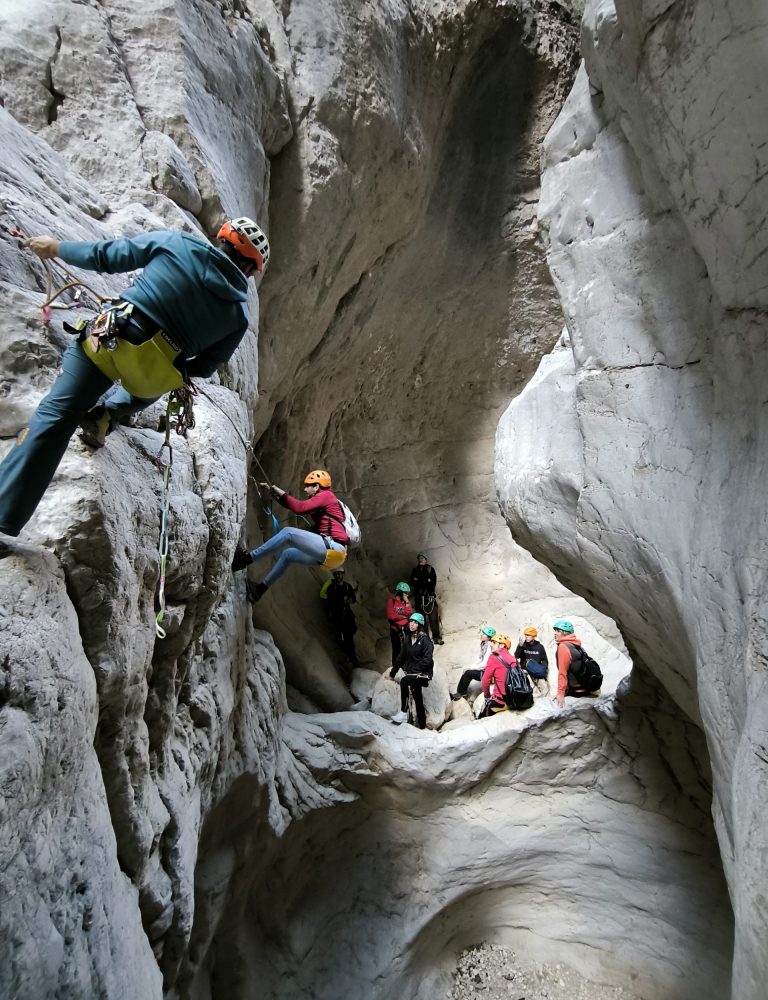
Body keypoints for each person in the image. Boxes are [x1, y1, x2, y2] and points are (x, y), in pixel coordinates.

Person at [0, 218, 269, 539]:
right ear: (249, 271)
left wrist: (55, 248)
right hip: (149, 376)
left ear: (221, 236)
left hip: (108, 341)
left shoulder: (178, 244)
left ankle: (4, 514)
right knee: (162, 377)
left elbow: (107, 255)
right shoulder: (238, 317)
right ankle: (108, 415)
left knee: (56, 416)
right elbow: (204, 368)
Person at [232, 470, 348, 601]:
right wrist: (275, 493)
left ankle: (244, 560)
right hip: (335, 556)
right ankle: (259, 591)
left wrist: (279, 492)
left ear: (316, 486)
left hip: (333, 548)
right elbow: (295, 506)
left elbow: (299, 508)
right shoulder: (323, 500)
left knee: (289, 533)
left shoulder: (326, 495)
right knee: (288, 555)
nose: (305, 489)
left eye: (308, 485)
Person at [387, 612, 434, 729]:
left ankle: (403, 712)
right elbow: (400, 658)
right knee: (417, 697)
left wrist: (415, 670)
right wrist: (392, 673)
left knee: (404, 681)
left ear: (420, 625)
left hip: (424, 674)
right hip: (413, 674)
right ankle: (423, 727)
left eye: (415, 623)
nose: (412, 624)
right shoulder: (408, 639)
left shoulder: (425, 640)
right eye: (411, 622)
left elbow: (427, 660)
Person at [480, 633, 533, 716]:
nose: (491, 645)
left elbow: (485, 681)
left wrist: (487, 696)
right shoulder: (513, 658)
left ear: (501, 645)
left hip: (502, 701)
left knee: (482, 717)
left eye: (494, 643)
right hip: (517, 697)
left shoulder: (493, 657)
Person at [553, 619, 600, 707]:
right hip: (585, 688)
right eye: (555, 630)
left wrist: (560, 694)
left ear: (566, 633)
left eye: (558, 631)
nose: (555, 633)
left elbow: (563, 673)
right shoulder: (576, 645)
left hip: (576, 692)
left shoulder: (563, 647)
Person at [321, 567, 359, 669]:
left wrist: (349, 600)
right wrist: (342, 600)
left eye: (339, 574)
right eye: (336, 574)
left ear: (343, 574)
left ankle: (350, 656)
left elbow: (353, 599)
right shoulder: (331, 588)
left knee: (350, 633)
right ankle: (352, 659)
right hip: (337, 615)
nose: (337, 576)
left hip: (347, 615)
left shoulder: (347, 586)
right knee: (344, 638)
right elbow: (329, 600)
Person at [451, 625, 496, 701]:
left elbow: (484, 664)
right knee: (466, 671)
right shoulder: (484, 644)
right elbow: (480, 659)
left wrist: (471, 668)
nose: (481, 635)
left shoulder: (489, 647)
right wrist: (471, 666)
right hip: (485, 670)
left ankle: (461, 693)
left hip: (488, 673)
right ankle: (460, 692)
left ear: (489, 637)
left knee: (468, 673)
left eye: (484, 634)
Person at [409, 550, 443, 643]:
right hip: (419, 598)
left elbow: (432, 582)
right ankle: (426, 639)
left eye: (422, 558)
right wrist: (424, 581)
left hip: (429, 597)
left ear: (426, 560)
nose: (421, 560)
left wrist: (420, 582)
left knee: (433, 618)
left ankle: (437, 638)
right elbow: (413, 582)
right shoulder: (415, 570)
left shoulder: (430, 569)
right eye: (419, 558)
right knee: (421, 618)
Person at [515, 626, 550, 696]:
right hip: (525, 671)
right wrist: (520, 646)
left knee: (545, 688)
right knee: (531, 689)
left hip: (536, 670)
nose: (526, 637)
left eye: (528, 635)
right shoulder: (523, 645)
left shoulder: (540, 647)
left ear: (533, 636)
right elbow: (517, 656)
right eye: (525, 635)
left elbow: (544, 660)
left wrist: (542, 668)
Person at [386, 582, 413, 669]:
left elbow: (409, 613)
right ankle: (396, 668)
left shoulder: (405, 602)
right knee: (396, 649)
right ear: (400, 592)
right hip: (395, 630)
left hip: (405, 628)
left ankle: (409, 666)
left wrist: (407, 601)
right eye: (405, 593)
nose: (407, 595)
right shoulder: (391, 602)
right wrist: (402, 616)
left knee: (409, 648)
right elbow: (391, 616)